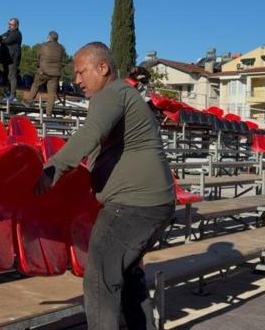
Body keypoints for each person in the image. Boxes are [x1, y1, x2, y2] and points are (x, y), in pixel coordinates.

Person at [34, 42, 175, 330]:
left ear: (103, 68)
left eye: (81, 72)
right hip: (155, 203)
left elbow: (90, 133)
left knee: (99, 278)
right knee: (126, 272)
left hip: (132, 206)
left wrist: (52, 170)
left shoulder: (112, 93)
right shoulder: (125, 95)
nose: (76, 80)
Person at [23, 31, 65, 115]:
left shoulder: (44, 46)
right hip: (55, 74)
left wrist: (40, 66)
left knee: (35, 85)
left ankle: (29, 101)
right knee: (51, 93)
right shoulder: (61, 48)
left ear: (49, 37)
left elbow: (38, 56)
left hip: (43, 71)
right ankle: (48, 113)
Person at [0, 18, 23, 102]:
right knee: (7, 75)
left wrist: (2, 39)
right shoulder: (8, 32)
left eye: (11, 24)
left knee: (12, 76)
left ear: (16, 25)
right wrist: (2, 38)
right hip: (6, 58)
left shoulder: (17, 34)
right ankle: (8, 93)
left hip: (13, 58)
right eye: (9, 24)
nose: (9, 26)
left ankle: (13, 95)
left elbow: (6, 41)